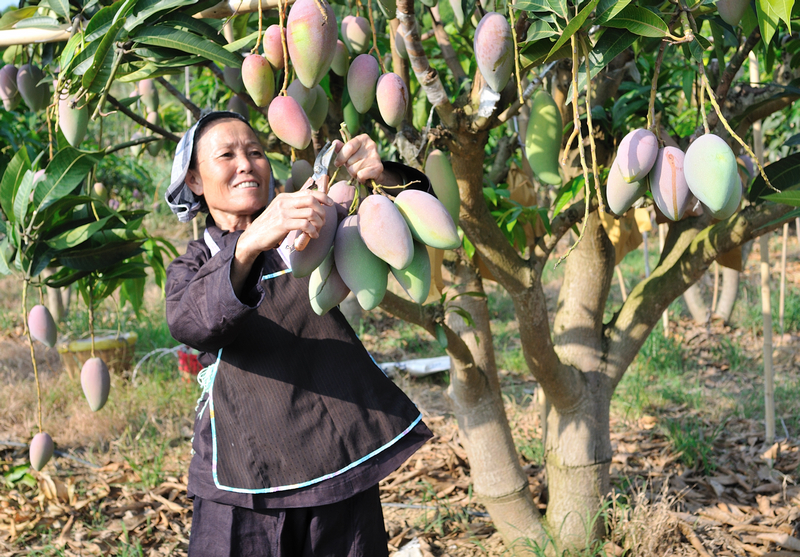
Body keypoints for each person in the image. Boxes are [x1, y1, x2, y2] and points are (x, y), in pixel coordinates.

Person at [164, 111, 433, 557]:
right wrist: (251, 244)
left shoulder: (311, 223)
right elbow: (192, 322)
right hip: (242, 475)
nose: (246, 163)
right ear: (195, 180)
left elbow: (415, 222)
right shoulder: (192, 265)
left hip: (336, 460)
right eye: (226, 155)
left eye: (254, 151)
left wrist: (381, 175)